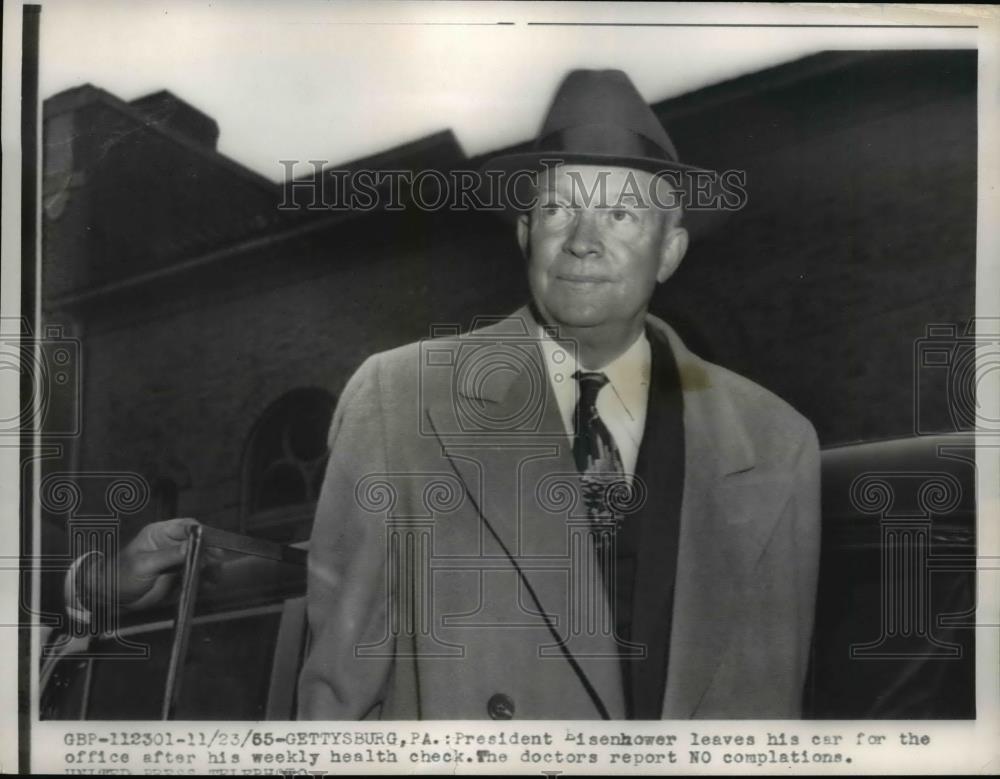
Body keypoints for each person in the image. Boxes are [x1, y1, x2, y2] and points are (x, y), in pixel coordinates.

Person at [69, 69, 820, 720]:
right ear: (525, 234)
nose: (584, 240)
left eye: (622, 213)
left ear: (671, 250)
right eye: (558, 209)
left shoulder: (774, 443)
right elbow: (339, 693)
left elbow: (771, 709)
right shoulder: (401, 402)